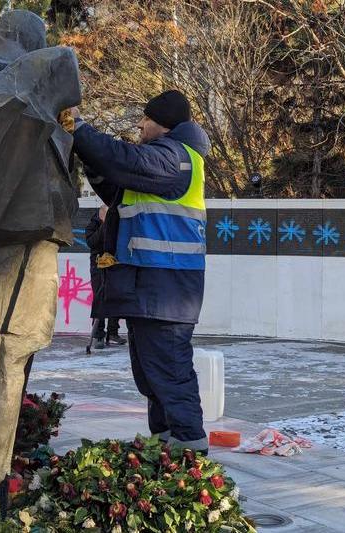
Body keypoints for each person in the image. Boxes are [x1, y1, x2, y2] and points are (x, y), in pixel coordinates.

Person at [69, 90, 210, 453]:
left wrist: (79, 127)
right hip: (152, 285)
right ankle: (165, 443)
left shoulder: (175, 159)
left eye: (145, 119)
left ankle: (190, 447)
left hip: (167, 287)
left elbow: (122, 159)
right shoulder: (165, 160)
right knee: (152, 375)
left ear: (162, 124)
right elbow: (114, 179)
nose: (140, 125)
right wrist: (88, 153)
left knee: (170, 372)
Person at [85, 205, 127, 349]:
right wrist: (104, 225)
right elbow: (92, 243)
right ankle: (98, 335)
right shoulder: (93, 225)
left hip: (115, 262)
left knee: (115, 297)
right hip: (98, 264)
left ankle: (113, 332)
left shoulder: (118, 222)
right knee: (99, 297)